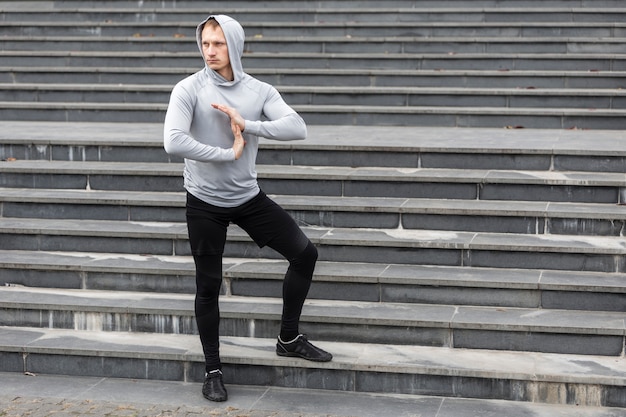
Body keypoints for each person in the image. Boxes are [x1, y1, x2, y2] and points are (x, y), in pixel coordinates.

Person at [163, 14, 333, 403]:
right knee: (208, 286)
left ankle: (288, 338)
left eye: (218, 44)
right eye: (205, 43)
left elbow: (297, 127)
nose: (210, 51)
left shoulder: (258, 91)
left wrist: (249, 125)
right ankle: (213, 370)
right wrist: (227, 153)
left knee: (305, 254)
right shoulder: (188, 88)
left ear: (235, 45)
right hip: (204, 202)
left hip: (247, 197)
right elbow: (173, 141)